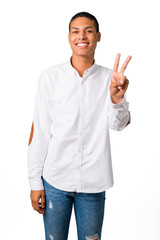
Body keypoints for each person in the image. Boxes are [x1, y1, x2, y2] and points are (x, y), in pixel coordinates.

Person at [27, 11, 132, 240]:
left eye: (88, 31)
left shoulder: (110, 79)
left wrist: (117, 99)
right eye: (76, 31)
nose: (81, 36)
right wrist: (35, 182)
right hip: (55, 181)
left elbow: (119, 125)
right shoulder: (50, 78)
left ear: (98, 36)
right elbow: (40, 133)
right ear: (69, 37)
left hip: (94, 184)